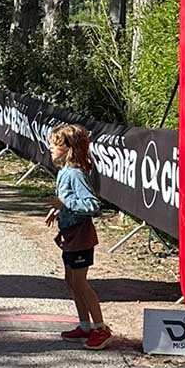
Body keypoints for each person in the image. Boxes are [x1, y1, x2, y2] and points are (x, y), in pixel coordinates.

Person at [45, 123, 111, 350]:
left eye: (55, 144)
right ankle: (85, 325)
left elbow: (92, 205)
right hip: (69, 235)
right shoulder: (64, 172)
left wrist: (65, 202)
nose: (50, 148)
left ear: (69, 148)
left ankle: (101, 328)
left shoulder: (76, 173)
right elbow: (66, 201)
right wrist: (57, 210)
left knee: (81, 283)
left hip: (81, 235)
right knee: (71, 281)